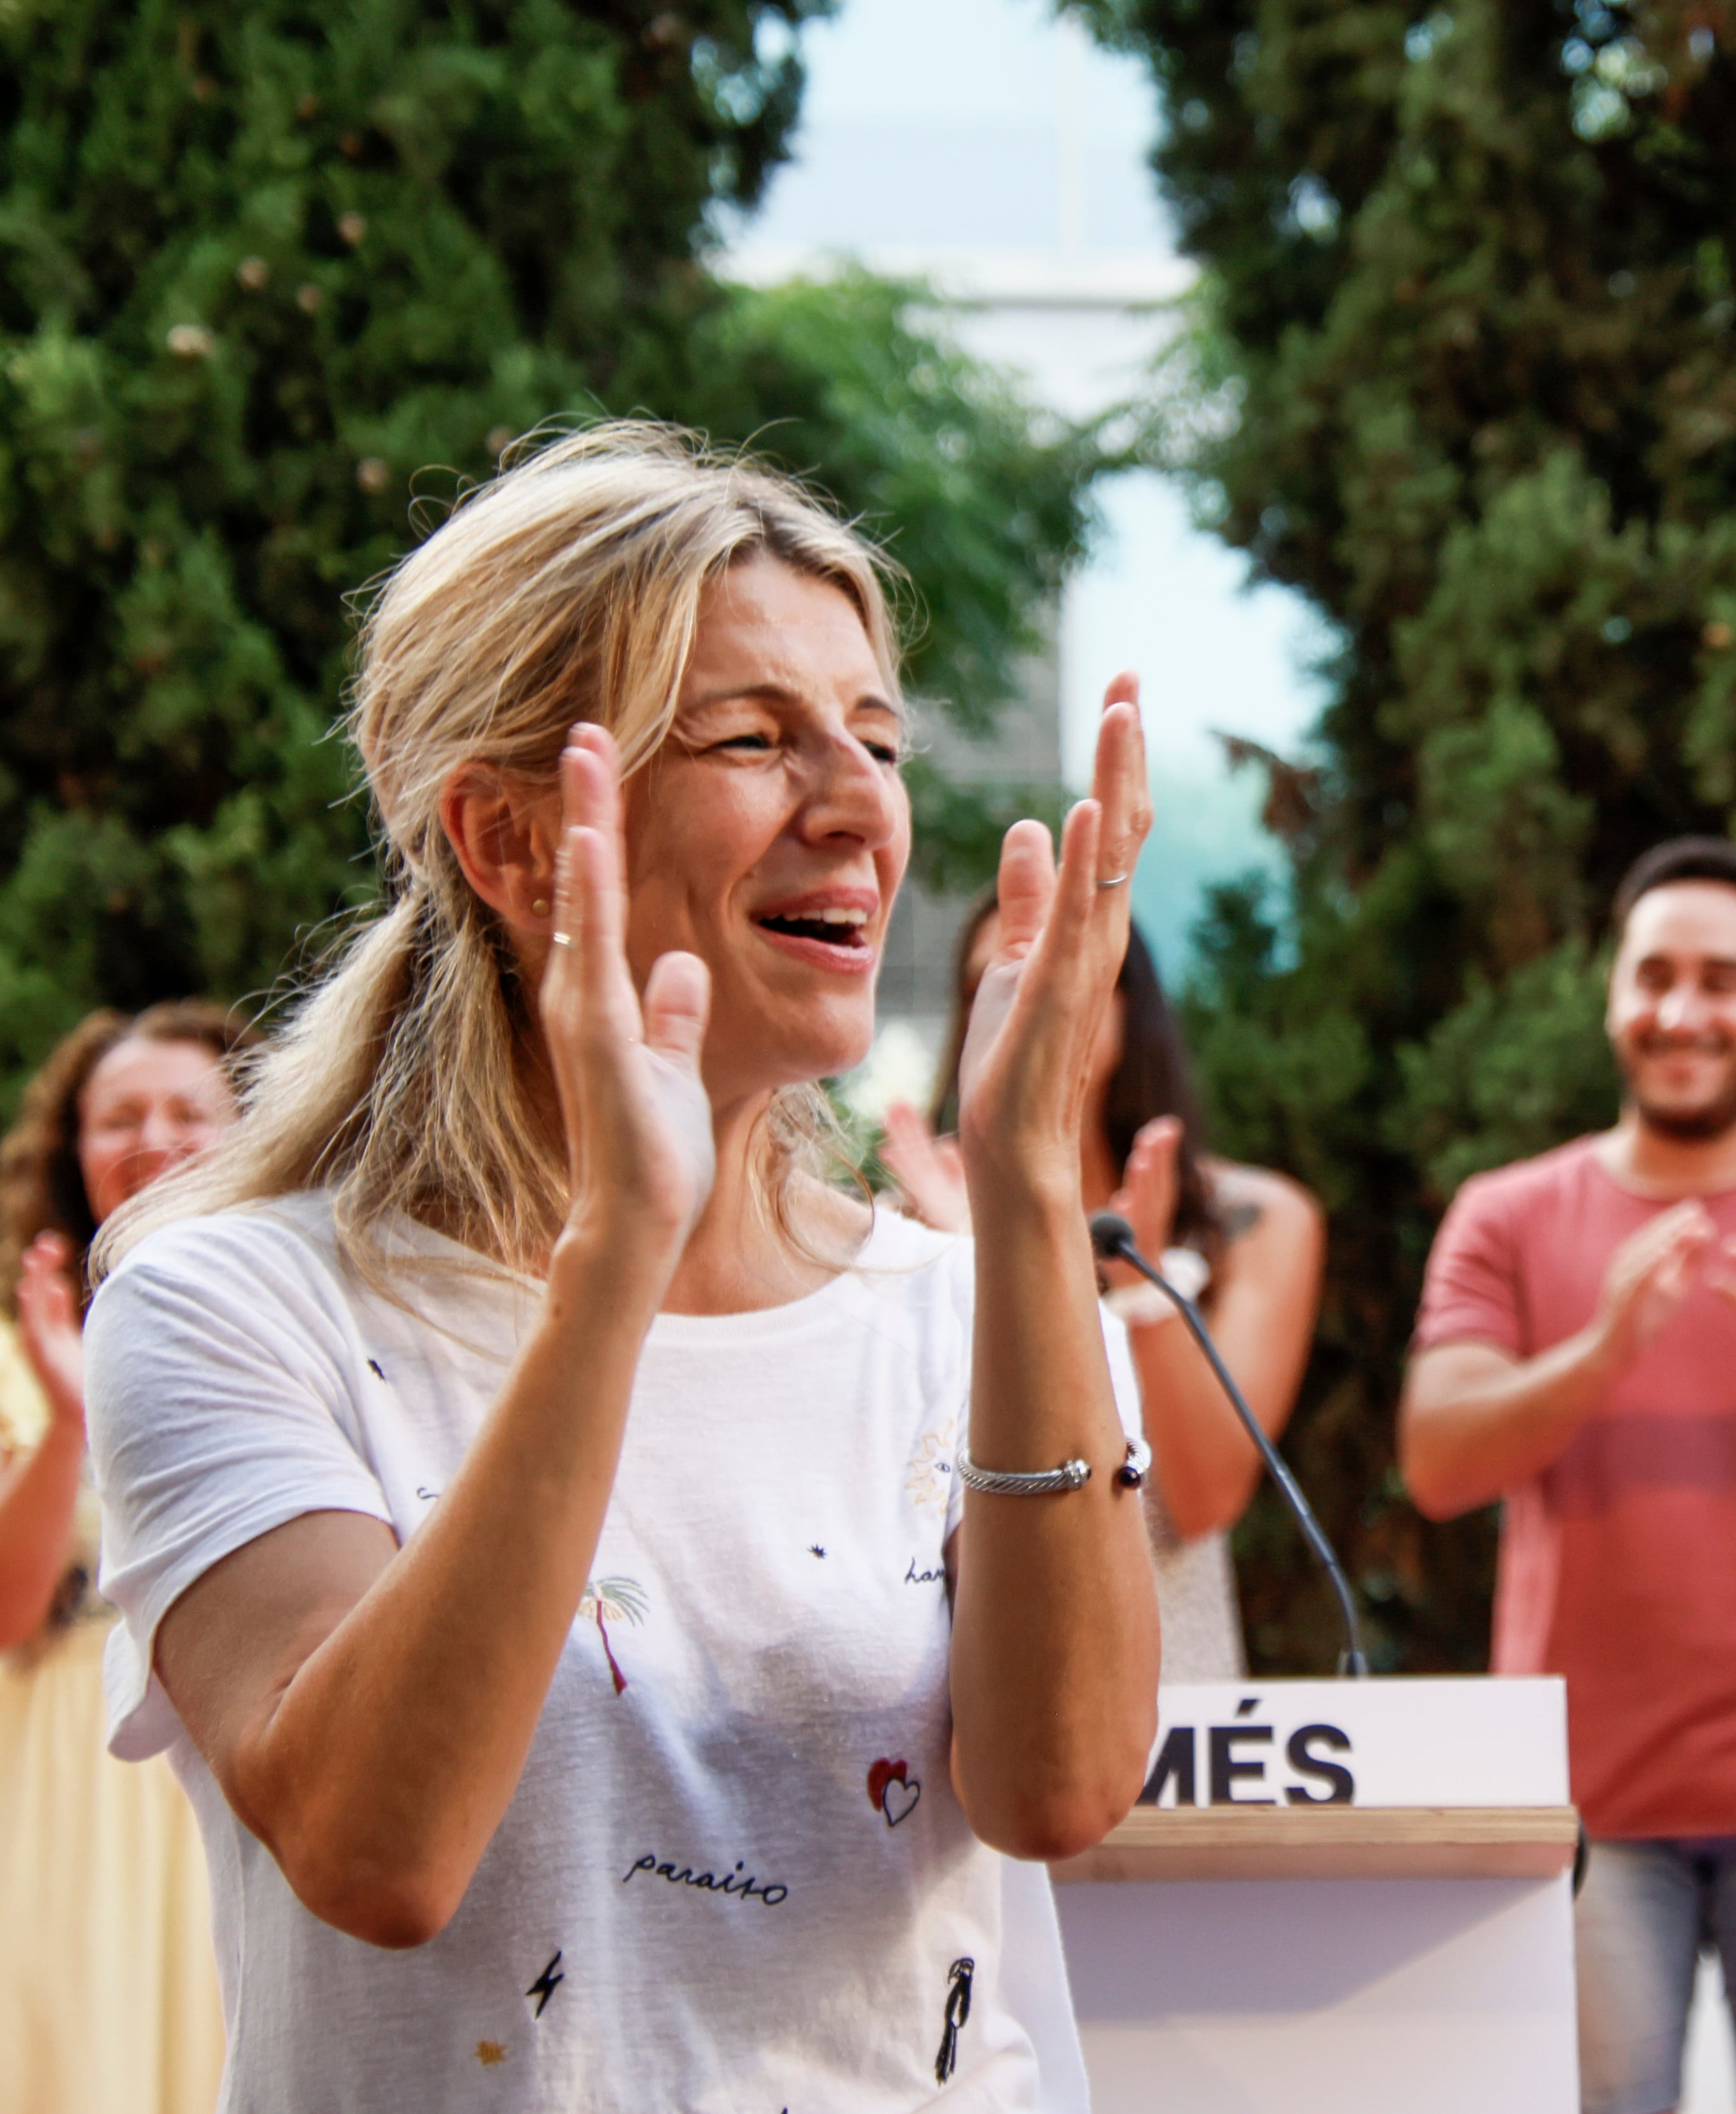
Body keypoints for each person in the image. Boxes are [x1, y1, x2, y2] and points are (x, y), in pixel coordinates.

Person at [82, 422, 1162, 2113]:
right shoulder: (227, 1303)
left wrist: (1027, 1187)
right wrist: (614, 1272)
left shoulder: (960, 1305)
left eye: (877, 739)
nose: (861, 806)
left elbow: (1065, 1783)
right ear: (511, 845)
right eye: (756, 736)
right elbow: (380, 1851)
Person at [1404, 838, 1736, 2114]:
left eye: (1719, 978)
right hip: (1579, 1799)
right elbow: (1435, 1459)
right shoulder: (1509, 1213)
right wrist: (1601, 1353)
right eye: (1653, 976)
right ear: (1610, 993)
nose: (1681, 1012)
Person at [884, 908, 1324, 1679]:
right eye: (997, 984)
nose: (1029, 1008)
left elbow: (1203, 1499)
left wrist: (1143, 1296)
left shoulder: (1252, 1223)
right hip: (969, 1704)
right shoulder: (907, 1221)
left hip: (1177, 1704)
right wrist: (964, 1268)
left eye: (1061, 977)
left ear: (1129, 1005)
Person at [0, 1000, 245, 2113]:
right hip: (63, 1783)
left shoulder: (310, 1330)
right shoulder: (15, 1348)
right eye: (119, 1115)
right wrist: (62, 1417)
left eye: (190, 1110)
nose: (153, 1134)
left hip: (247, 1768)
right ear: (72, 1150)